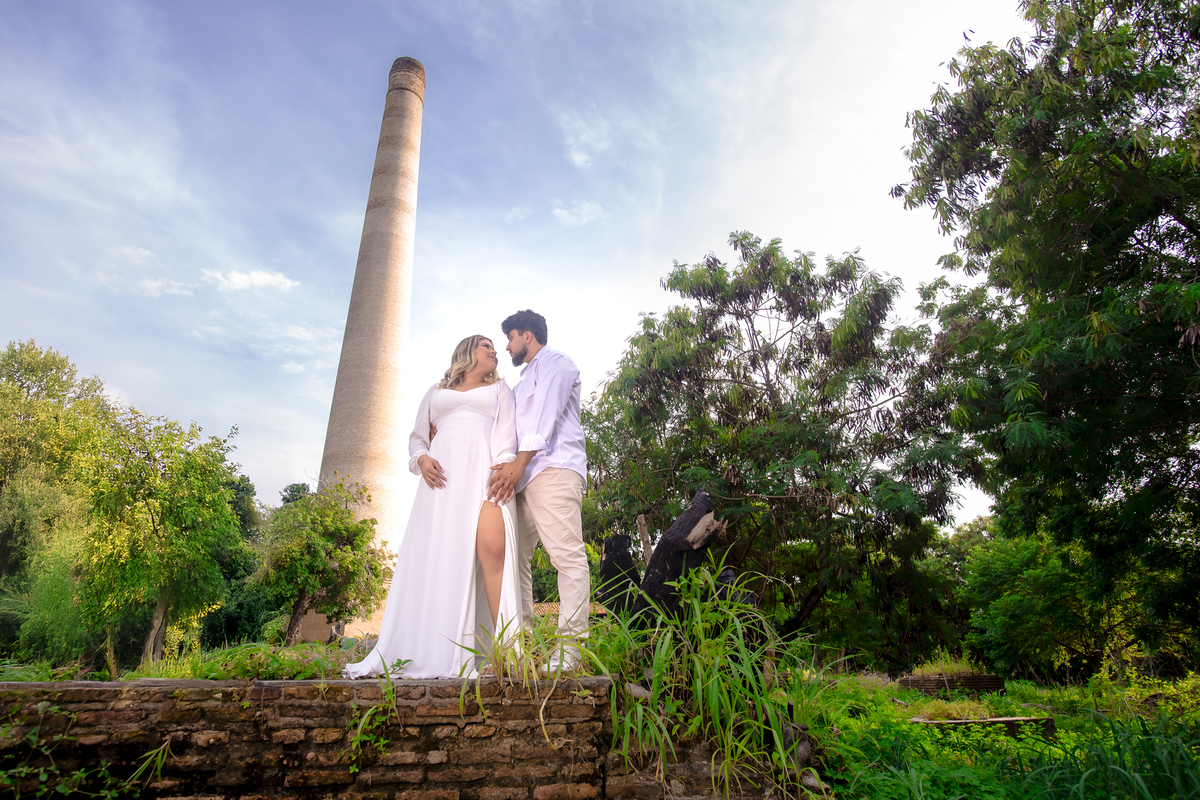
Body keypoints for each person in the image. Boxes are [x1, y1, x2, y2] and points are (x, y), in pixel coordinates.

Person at [342, 335, 521, 680]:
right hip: (440, 485)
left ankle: (502, 652)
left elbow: (506, 433)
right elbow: (417, 437)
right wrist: (422, 459)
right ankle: (432, 649)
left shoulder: (501, 390)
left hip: (483, 476)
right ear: (468, 352)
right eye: (487, 346)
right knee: (439, 557)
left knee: (492, 553)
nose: (495, 352)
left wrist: (502, 470)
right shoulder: (435, 392)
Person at [487, 310, 588, 673]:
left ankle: (570, 649)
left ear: (527, 336)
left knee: (567, 557)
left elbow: (545, 419)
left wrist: (516, 465)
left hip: (554, 469)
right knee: (515, 560)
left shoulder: (556, 364)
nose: (508, 346)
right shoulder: (520, 383)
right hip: (524, 478)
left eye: (511, 338)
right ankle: (521, 646)